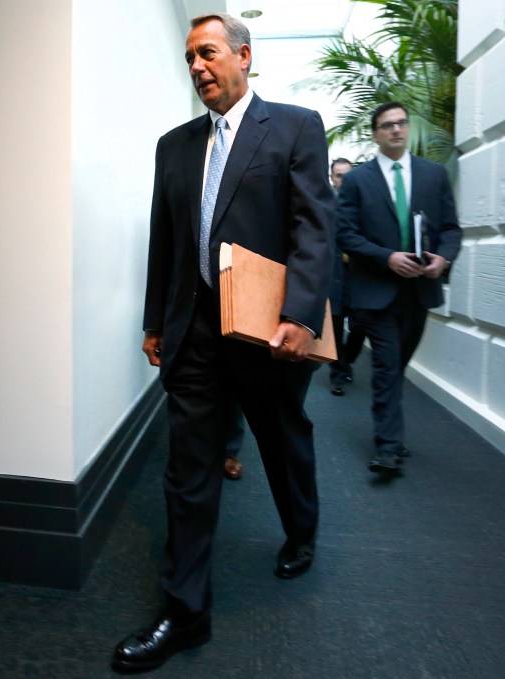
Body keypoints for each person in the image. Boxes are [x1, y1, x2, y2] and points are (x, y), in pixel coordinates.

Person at [112, 12, 335, 674]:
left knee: (280, 439)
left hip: (268, 332)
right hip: (196, 335)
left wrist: (300, 312)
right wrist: (156, 319)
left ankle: (302, 529)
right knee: (188, 472)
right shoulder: (174, 146)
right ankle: (186, 612)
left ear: (244, 55)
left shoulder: (294, 127)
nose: (198, 67)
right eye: (189, 58)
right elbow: (167, 243)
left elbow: (314, 229)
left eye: (207, 53)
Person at [335, 101, 461, 475]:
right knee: (387, 366)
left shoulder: (433, 175)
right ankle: (388, 446)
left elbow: (452, 229)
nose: (396, 130)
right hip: (376, 291)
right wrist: (386, 257)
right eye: (387, 125)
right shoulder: (358, 180)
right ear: (376, 133)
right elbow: (344, 234)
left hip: (418, 292)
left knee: (397, 365)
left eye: (401, 123)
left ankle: (392, 432)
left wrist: (443, 258)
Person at [326, 158, 365, 396]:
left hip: (359, 274)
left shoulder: (365, 203)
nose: (345, 179)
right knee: (336, 326)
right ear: (332, 178)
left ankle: (346, 359)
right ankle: (338, 374)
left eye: (348, 175)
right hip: (333, 274)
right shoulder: (324, 204)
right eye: (340, 175)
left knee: (360, 324)